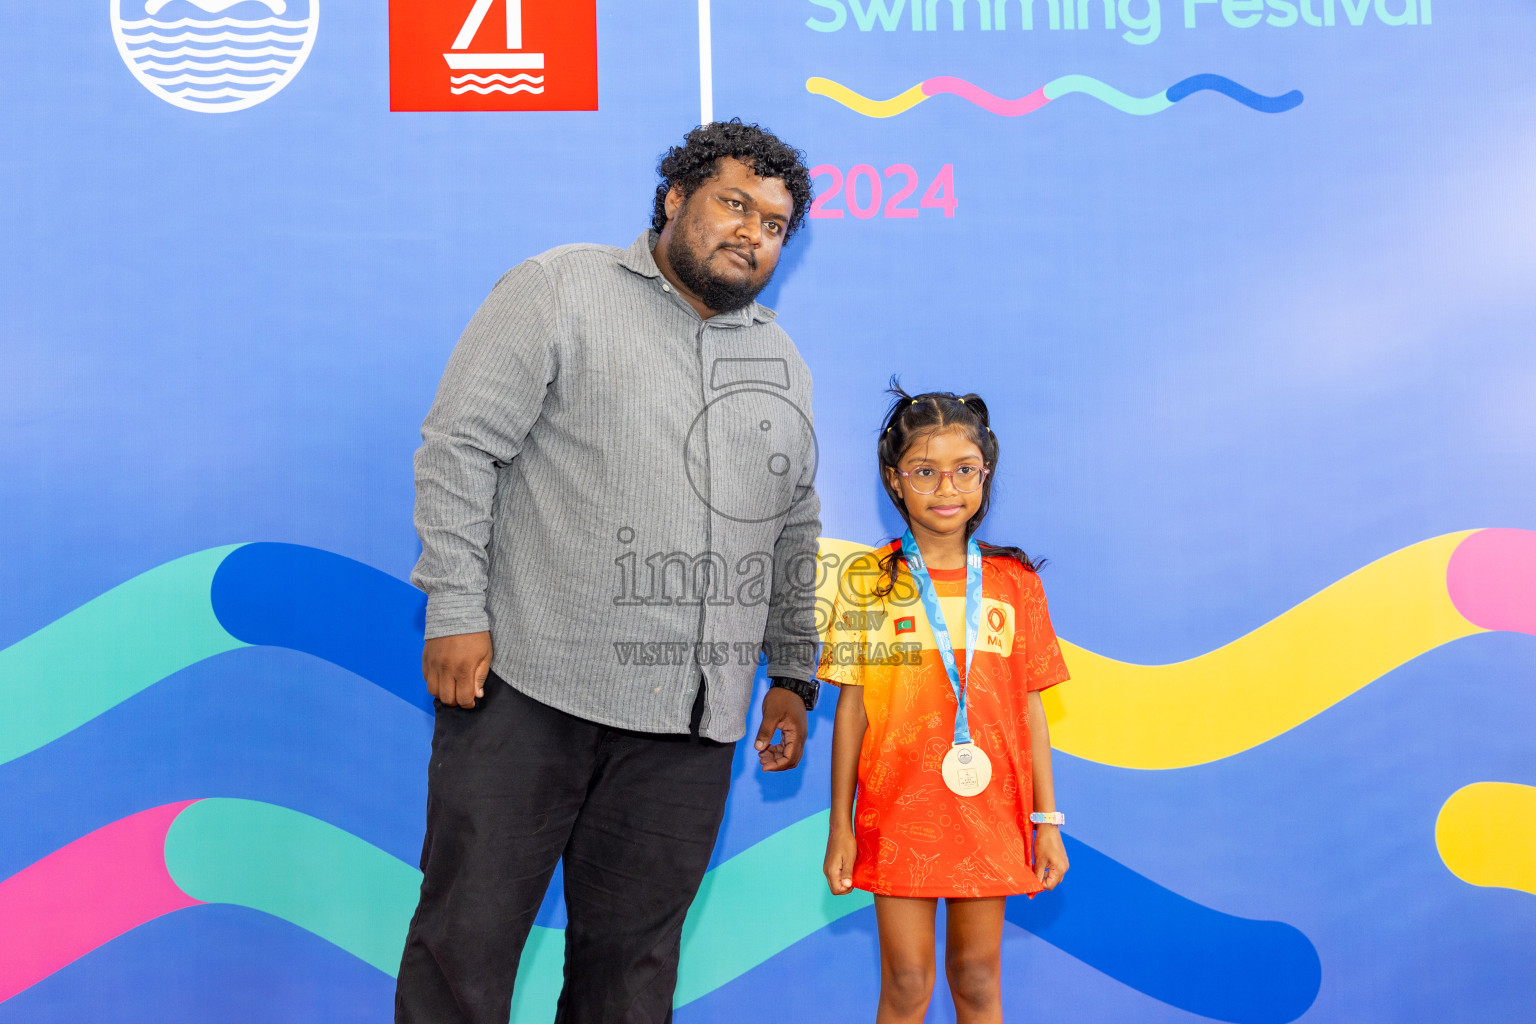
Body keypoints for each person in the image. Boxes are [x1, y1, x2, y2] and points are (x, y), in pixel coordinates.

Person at [397, 121, 823, 1024]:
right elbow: (460, 450)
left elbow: (794, 521)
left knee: (630, 981)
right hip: (529, 691)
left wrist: (793, 672)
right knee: (464, 953)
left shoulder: (781, 360)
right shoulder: (559, 290)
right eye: (734, 205)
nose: (753, 233)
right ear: (675, 199)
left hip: (689, 726)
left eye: (776, 224)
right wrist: (454, 608)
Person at [818, 387, 1071, 1024]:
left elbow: (1031, 711)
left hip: (989, 813)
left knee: (978, 977)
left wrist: (1047, 821)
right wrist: (840, 826)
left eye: (964, 469)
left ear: (986, 474)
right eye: (924, 471)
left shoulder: (1016, 585)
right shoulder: (869, 581)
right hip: (898, 812)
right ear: (893, 480)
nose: (946, 487)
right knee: (906, 983)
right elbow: (851, 712)